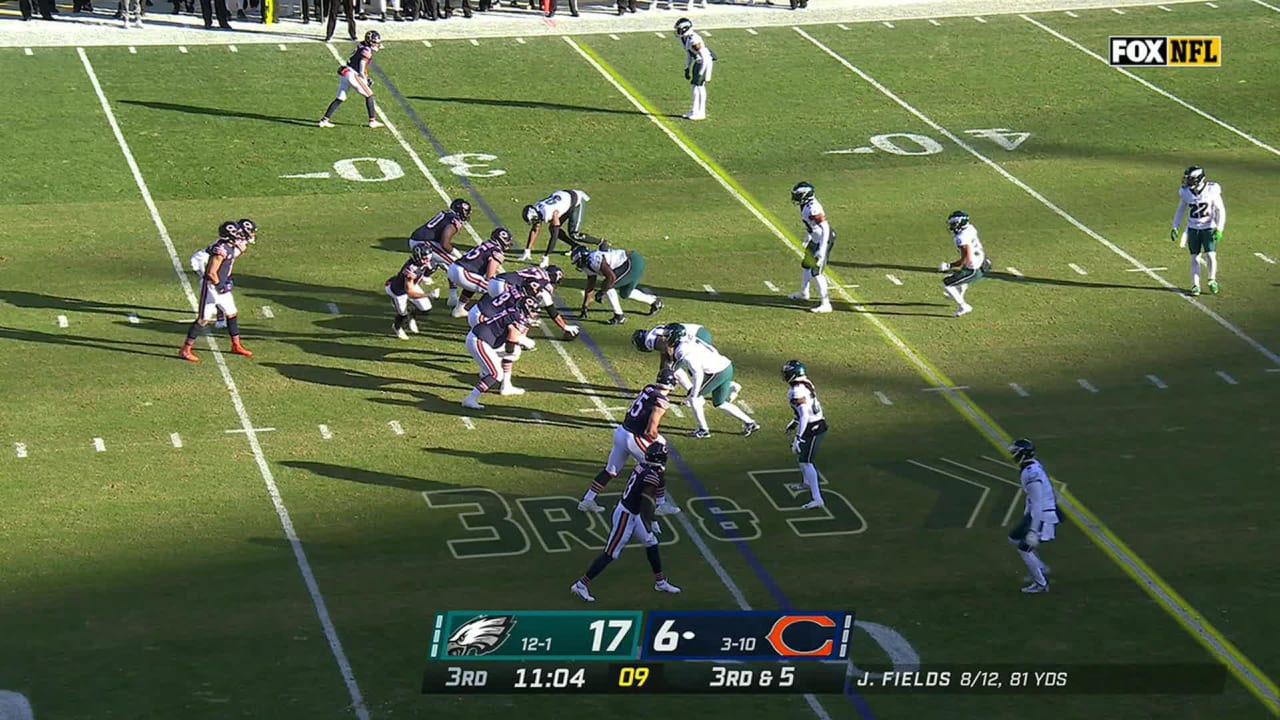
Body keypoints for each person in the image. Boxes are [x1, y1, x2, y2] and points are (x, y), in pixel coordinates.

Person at [570, 442, 682, 602]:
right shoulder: (651, 475)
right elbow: (646, 502)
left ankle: (660, 582)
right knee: (611, 553)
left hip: (632, 512)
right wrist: (652, 520)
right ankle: (581, 584)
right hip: (626, 515)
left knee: (651, 542)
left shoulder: (643, 466)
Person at [579, 367, 681, 516]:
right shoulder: (661, 401)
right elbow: (650, 431)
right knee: (657, 466)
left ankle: (587, 500)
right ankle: (661, 504)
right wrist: (657, 440)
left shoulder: (649, 388)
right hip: (633, 437)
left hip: (621, 431)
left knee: (610, 470)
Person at [180, 221, 254, 362]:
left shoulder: (230, 246)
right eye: (237, 234)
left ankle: (236, 345)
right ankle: (185, 349)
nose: (239, 236)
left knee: (232, 313)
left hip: (221, 285)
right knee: (203, 319)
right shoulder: (220, 250)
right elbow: (211, 272)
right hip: (211, 288)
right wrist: (220, 286)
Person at [671, 328, 757, 438]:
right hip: (726, 365)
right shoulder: (692, 340)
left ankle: (703, 430)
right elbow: (712, 349)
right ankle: (750, 422)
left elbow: (698, 374)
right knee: (720, 403)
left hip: (717, 372)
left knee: (694, 399)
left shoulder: (682, 352)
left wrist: (694, 392)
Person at [462, 294, 538, 408]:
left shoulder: (513, 312)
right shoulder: (519, 318)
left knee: (515, 353)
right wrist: (518, 344)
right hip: (480, 340)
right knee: (496, 373)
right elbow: (510, 342)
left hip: (483, 337)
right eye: (534, 311)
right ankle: (470, 398)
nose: (535, 314)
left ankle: (505, 385)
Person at [1007, 439, 1060, 594]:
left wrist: (1033, 529)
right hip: (1037, 512)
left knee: (1024, 549)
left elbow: (1037, 502)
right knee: (1014, 537)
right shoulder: (1031, 467)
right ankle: (1040, 566)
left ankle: (1041, 583)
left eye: (1015, 452)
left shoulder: (1031, 473)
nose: (1013, 455)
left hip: (1042, 515)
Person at [572, 245, 662, 325]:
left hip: (632, 262)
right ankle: (655, 302)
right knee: (625, 293)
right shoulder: (588, 264)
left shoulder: (595, 259)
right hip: (631, 263)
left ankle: (619, 316)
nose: (578, 265)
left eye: (578, 262)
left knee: (607, 286)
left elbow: (611, 277)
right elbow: (590, 286)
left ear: (583, 257)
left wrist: (602, 292)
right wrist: (585, 306)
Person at [1171, 165, 1226, 296]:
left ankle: (1212, 279)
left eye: (1190, 179)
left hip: (1208, 228)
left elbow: (1220, 210)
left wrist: (1219, 229)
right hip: (1193, 228)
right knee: (1195, 257)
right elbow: (1180, 210)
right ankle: (1195, 285)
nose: (1187, 182)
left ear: (1198, 179)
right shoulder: (1185, 192)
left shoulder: (1211, 190)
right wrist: (1175, 226)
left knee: (1211, 255)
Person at [486, 265, 581, 339]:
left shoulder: (538, 270)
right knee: (524, 310)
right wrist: (564, 326)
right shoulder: (545, 284)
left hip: (495, 280)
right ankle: (518, 338)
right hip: (506, 285)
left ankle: (485, 320)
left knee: (497, 306)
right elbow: (551, 310)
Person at [781, 360, 827, 510]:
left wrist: (798, 437)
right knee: (802, 459)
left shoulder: (796, 391)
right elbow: (803, 411)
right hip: (812, 423)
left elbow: (805, 415)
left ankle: (817, 498)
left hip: (813, 427)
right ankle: (807, 483)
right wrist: (793, 423)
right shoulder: (805, 383)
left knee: (807, 461)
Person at [409, 199, 472, 307]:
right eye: (466, 212)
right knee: (455, 264)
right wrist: (457, 254)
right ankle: (411, 290)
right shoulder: (454, 221)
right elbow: (444, 243)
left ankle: (452, 297)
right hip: (424, 242)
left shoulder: (447, 214)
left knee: (446, 265)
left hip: (421, 239)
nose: (467, 214)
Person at [320, 32, 384, 129]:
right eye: (374, 42)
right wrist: (366, 80)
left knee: (340, 97)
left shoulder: (362, 45)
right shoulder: (366, 51)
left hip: (345, 72)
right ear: (370, 42)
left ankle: (324, 120)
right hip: (351, 74)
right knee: (369, 94)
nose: (376, 44)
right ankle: (372, 121)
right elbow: (362, 69)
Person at [788, 182, 834, 313]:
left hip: (823, 240)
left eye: (798, 195)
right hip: (815, 239)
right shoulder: (805, 205)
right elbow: (812, 225)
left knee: (816, 272)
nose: (795, 198)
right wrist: (809, 236)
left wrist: (822, 249)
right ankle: (804, 292)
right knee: (806, 265)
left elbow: (825, 227)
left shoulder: (813, 208)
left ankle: (826, 304)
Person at [519, 189, 596, 267]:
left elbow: (554, 236)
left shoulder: (550, 212)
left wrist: (546, 257)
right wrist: (527, 250)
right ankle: (575, 246)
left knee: (573, 234)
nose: (533, 223)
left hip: (576, 200)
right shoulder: (537, 208)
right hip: (564, 198)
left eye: (533, 220)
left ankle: (601, 242)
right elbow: (535, 229)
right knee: (553, 229)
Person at [447, 227, 510, 318]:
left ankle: (459, 309)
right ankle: (485, 313)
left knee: (477, 281)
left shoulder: (486, 244)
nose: (508, 244)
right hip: (463, 273)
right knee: (495, 289)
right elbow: (489, 276)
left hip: (454, 268)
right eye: (507, 241)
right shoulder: (497, 251)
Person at [939, 210, 991, 317]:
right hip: (982, 261)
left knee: (947, 285)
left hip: (974, 268)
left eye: (954, 224)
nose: (952, 226)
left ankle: (963, 306)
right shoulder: (970, 228)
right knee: (960, 279)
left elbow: (965, 259)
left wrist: (949, 265)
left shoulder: (961, 238)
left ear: (960, 223)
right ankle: (958, 295)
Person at [385, 245, 437, 340]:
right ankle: (397, 327)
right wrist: (428, 295)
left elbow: (425, 270)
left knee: (426, 309)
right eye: (425, 259)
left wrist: (425, 277)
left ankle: (412, 316)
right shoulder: (410, 270)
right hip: (398, 291)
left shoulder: (425, 264)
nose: (428, 261)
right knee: (402, 314)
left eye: (429, 258)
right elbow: (410, 293)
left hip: (411, 285)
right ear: (418, 257)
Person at [675, 17, 714, 121]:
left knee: (699, 87)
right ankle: (694, 110)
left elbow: (705, 57)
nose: (677, 31)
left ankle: (701, 112)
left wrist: (702, 73)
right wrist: (687, 68)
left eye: (679, 29)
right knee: (694, 87)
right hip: (698, 62)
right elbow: (689, 54)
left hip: (704, 63)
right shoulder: (685, 38)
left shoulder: (694, 40)